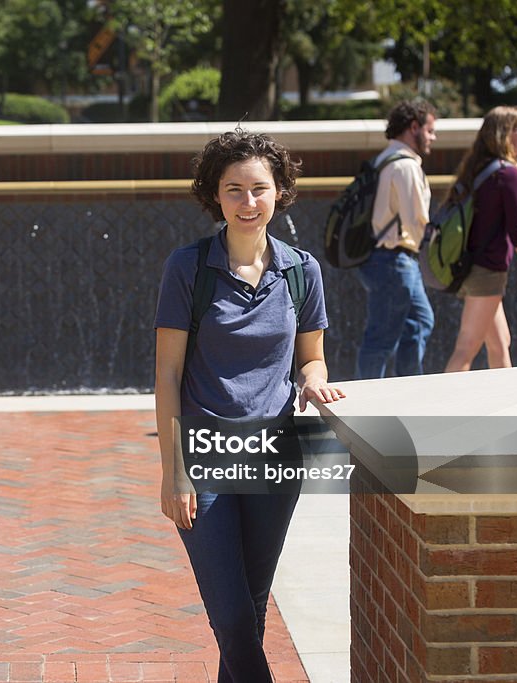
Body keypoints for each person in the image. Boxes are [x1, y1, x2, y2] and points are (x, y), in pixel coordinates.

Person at [154, 129, 345, 682]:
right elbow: (167, 372)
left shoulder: (301, 271)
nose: (247, 201)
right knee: (233, 616)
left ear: (280, 192)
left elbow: (312, 358)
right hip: (205, 453)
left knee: (253, 609)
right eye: (233, 189)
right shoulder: (187, 268)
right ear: (214, 195)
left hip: (278, 452)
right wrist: (175, 469)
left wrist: (313, 382)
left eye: (259, 189)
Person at [444, 106, 517, 372]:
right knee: (466, 348)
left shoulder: (479, 169)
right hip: (487, 271)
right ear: (504, 134)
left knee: (500, 344)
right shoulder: (509, 173)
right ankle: (441, 411)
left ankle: (509, 409)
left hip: (470, 267)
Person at [356, 100, 437, 379]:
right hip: (394, 259)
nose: (433, 138)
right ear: (414, 127)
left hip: (385, 258)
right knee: (381, 338)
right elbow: (417, 218)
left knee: (419, 322)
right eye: (430, 130)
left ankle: (407, 389)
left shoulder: (384, 159)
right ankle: (364, 404)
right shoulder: (405, 165)